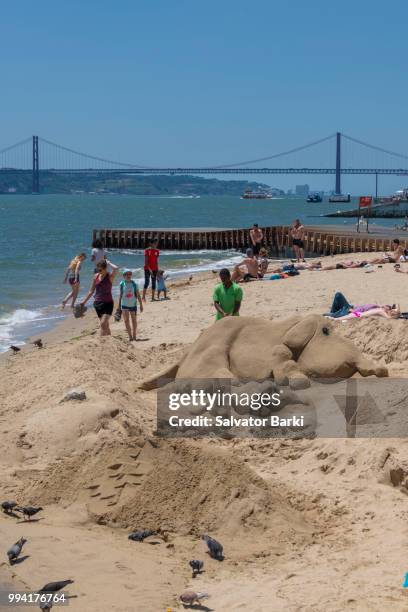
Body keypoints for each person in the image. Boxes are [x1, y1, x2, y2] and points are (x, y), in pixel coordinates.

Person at [81, 259, 119, 336]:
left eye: (100, 269)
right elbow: (91, 291)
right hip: (97, 303)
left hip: (108, 303)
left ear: (105, 268)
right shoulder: (96, 276)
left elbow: (116, 268)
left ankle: (101, 340)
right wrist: (83, 302)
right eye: (97, 269)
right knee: (105, 324)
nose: (98, 270)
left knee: (102, 323)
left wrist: (109, 262)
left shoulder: (110, 277)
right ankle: (109, 339)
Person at [325, 292, 400, 320]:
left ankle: (333, 315)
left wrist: (337, 319)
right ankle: (333, 314)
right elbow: (396, 305)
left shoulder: (379, 311)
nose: (387, 306)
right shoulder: (378, 308)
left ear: (388, 311)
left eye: (390, 308)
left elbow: (360, 315)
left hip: (347, 312)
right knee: (338, 295)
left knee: (338, 295)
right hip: (349, 309)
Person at [119, 269, 143, 341]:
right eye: (126, 274)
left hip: (133, 304)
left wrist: (141, 305)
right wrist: (118, 306)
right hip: (124, 305)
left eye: (129, 274)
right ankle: (130, 336)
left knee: (134, 320)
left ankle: (134, 335)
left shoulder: (134, 284)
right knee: (126, 321)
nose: (128, 275)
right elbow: (120, 295)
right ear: (124, 276)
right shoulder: (121, 284)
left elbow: (138, 295)